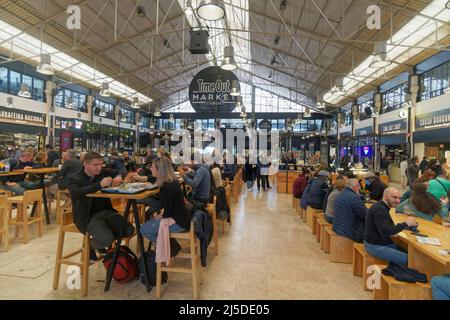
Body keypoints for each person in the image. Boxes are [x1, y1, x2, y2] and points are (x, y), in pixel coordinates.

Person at [68, 152, 134, 261]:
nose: (99, 167)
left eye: (100, 164)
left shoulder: (101, 173)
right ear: (85, 164)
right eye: (95, 165)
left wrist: (118, 177)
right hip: (87, 217)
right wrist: (99, 185)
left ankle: (102, 242)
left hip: (106, 212)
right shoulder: (75, 178)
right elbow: (75, 193)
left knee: (129, 230)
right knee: (107, 239)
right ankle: (89, 246)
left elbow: (122, 170)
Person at [140, 157, 190, 244]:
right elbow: (169, 207)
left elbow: (168, 213)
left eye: (152, 167)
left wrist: (161, 216)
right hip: (183, 219)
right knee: (152, 219)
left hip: (179, 223)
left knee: (144, 229)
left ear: (159, 170)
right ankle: (166, 246)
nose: (150, 169)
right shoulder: (172, 182)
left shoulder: (166, 187)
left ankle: (169, 249)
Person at [364, 187, 417, 266]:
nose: (398, 201)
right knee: (411, 260)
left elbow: (385, 228)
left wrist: (400, 227)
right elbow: (385, 232)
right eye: (394, 197)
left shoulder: (381, 207)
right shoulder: (380, 209)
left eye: (399, 198)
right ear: (385, 196)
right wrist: (405, 224)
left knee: (413, 255)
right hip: (375, 246)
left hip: (377, 243)